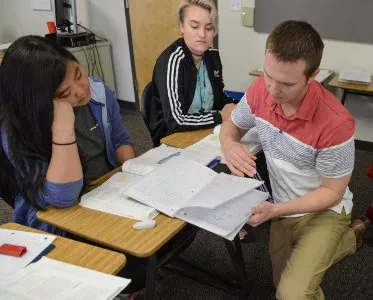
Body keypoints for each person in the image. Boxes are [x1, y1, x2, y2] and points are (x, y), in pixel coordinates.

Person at [220, 20, 366, 299]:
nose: (273, 91)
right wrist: (229, 144)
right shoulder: (261, 90)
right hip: (283, 209)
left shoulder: (336, 124)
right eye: (268, 76)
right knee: (279, 282)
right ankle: (350, 239)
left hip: (325, 212)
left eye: (287, 83)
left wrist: (275, 210)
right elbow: (232, 125)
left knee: (291, 294)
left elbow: (332, 193)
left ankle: (341, 235)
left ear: (313, 77)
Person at [0, 35, 136, 236]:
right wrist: (63, 127)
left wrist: (133, 174)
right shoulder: (18, 129)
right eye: (65, 93)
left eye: (78, 74)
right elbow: (63, 196)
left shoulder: (98, 93)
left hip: (104, 192)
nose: (81, 90)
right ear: (41, 101)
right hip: (56, 220)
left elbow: (120, 141)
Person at [149, 0, 236, 147]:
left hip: (206, 131)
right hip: (174, 139)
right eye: (194, 26)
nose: (202, 34)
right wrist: (220, 116)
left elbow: (218, 98)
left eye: (208, 28)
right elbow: (176, 121)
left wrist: (239, 107)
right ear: (182, 26)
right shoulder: (172, 61)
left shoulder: (212, 55)